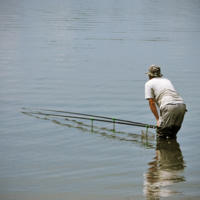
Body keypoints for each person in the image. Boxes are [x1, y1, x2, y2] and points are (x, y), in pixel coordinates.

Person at [145, 65, 186, 137]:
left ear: (150, 75)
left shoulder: (149, 83)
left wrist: (158, 120)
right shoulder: (167, 80)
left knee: (161, 134)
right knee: (172, 135)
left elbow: (151, 102)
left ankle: (161, 148)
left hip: (169, 106)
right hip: (182, 105)